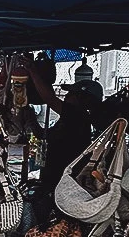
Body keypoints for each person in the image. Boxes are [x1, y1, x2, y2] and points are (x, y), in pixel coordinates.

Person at [25, 59, 104, 192]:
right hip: (56, 176)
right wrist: (31, 118)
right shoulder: (73, 120)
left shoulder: (77, 115)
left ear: (83, 98)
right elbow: (43, 135)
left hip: (64, 177)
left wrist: (32, 70)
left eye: (71, 93)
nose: (66, 96)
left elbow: (49, 99)